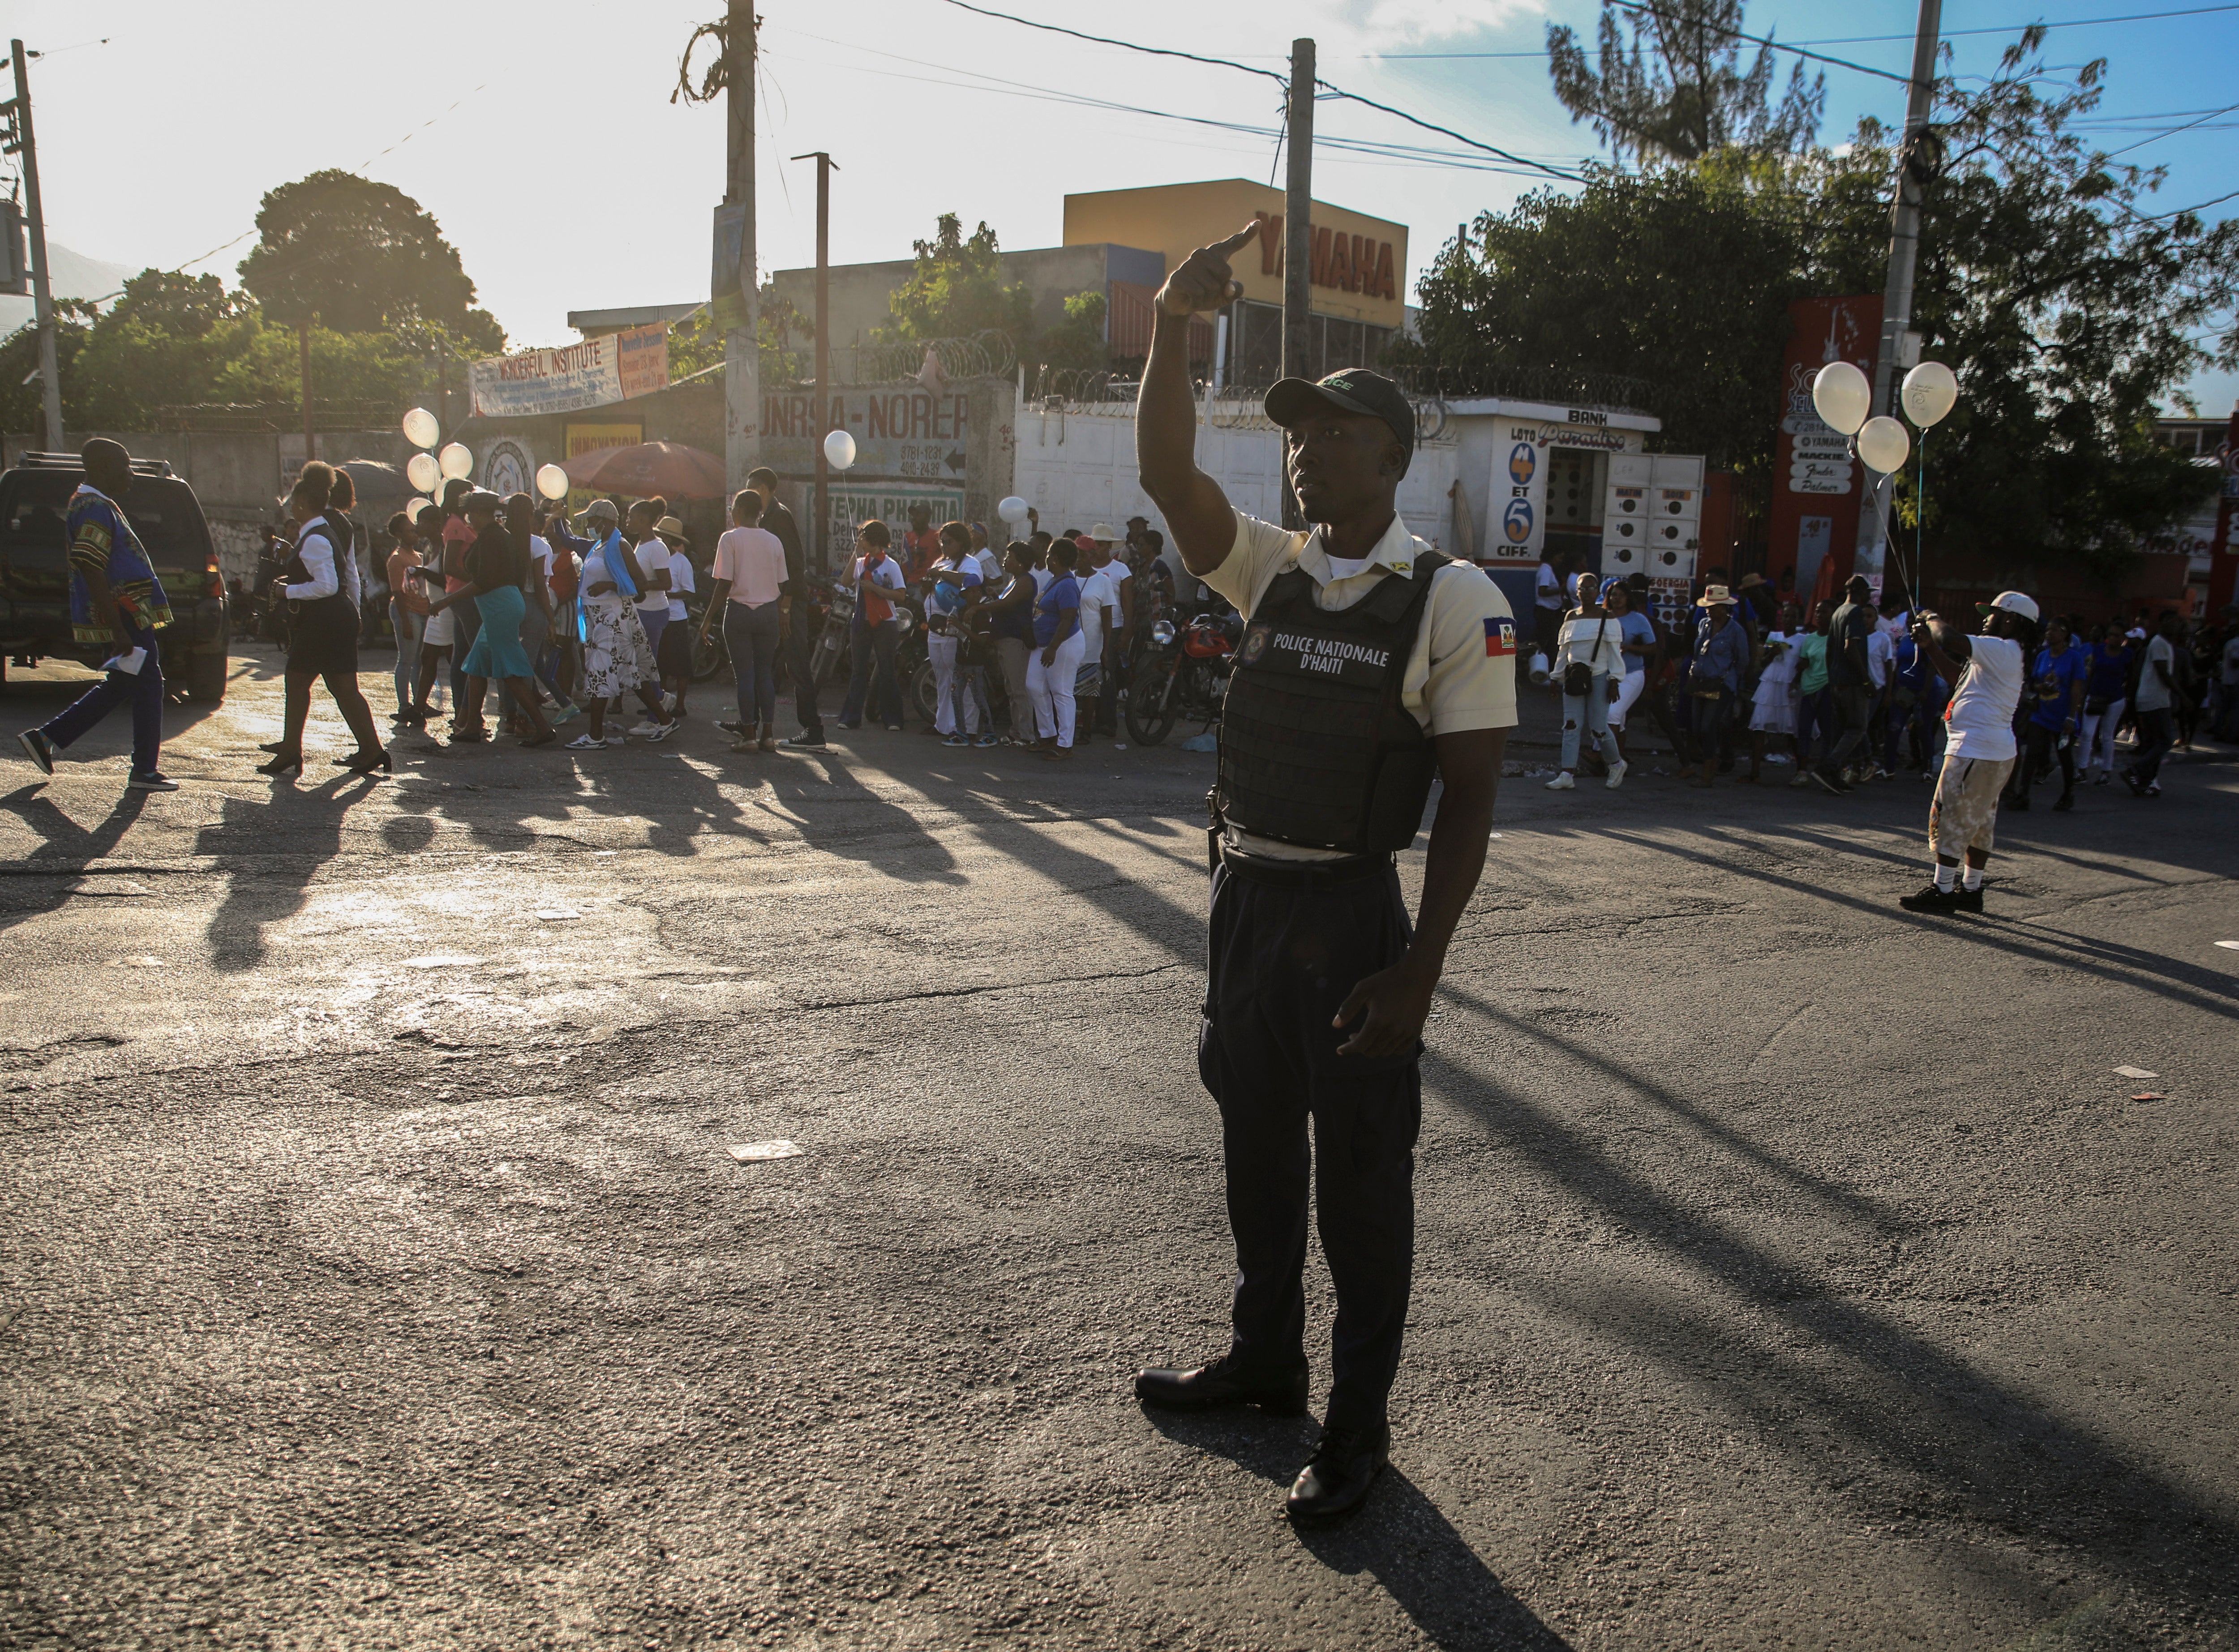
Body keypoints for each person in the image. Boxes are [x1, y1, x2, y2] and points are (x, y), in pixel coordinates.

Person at [1132, 225, 1515, 1526]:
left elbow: (1468, 801)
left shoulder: (1452, 599)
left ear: (1391, 460)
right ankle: (1263, 1358)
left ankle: (1354, 1431)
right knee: (1253, 1155)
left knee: (1359, 1189)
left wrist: (1418, 972)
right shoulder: (1272, 570)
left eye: (1331, 434)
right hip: (1247, 901)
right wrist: (1175, 326)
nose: (1302, 450)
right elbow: (1166, 468)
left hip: (1353, 918)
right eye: (1296, 436)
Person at [16, 439, 180, 791]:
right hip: (126, 614)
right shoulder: (93, 507)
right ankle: (144, 771)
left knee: (124, 683)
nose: (131, 473)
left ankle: (46, 740)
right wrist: (118, 628)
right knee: (149, 686)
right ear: (104, 469)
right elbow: (91, 567)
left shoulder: (95, 503)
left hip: (127, 614)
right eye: (125, 466)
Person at [1900, 592, 2034, 914]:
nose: (1985, 619)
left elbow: (1952, 638)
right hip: (1993, 752)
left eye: (1992, 614)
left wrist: (1931, 618)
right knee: (1979, 824)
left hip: (1974, 751)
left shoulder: (2000, 648)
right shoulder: (2005, 653)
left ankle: (1943, 890)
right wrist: (1930, 648)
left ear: (2010, 620)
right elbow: (1957, 677)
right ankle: (1971, 889)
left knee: (1949, 817)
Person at [255, 461, 387, 778]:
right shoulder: (327, 528)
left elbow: (328, 584)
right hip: (336, 617)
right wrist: (354, 610)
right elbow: (348, 577)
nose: (291, 508)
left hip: (324, 621)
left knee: (298, 682)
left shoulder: (315, 536)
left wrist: (288, 591)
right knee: (343, 687)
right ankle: (372, 750)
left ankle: (291, 751)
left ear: (302, 503)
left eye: (293, 502)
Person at [428, 489, 555, 751]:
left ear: (478, 513)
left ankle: (542, 727)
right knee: (476, 666)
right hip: (500, 606)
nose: (468, 519)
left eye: (470, 514)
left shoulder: (492, 538)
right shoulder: (494, 536)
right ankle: (472, 726)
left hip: (500, 607)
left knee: (508, 672)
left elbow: (483, 582)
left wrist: (445, 601)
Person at [566, 500, 671, 751]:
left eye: (592, 521)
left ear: (605, 521)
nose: (589, 525)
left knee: (599, 673)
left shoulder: (620, 546)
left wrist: (609, 586)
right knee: (631, 673)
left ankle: (595, 735)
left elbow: (640, 584)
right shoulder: (601, 547)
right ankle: (666, 720)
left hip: (614, 618)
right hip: (600, 618)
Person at [704, 489, 789, 753]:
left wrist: (707, 620)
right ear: (760, 513)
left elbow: (724, 584)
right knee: (765, 673)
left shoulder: (730, 539)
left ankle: (749, 735)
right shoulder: (775, 542)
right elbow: (783, 583)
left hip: (740, 612)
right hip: (768, 613)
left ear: (739, 510)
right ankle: (769, 735)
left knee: (745, 676)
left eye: (732, 509)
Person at [1545, 579, 1626, 791]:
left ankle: (1616, 764)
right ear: (1577, 592)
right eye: (1582, 588)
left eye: (1591, 588)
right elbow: (1564, 651)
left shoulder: (1607, 617)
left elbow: (1616, 654)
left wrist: (1615, 680)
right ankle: (1567, 773)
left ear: (1597, 591)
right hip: (1574, 677)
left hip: (1599, 676)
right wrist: (1555, 678)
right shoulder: (1571, 617)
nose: (1586, 592)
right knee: (1571, 725)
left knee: (1599, 727)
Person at [2007, 616, 2085, 812]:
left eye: (2055, 630)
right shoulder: (2043, 656)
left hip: (2062, 715)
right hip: (2041, 713)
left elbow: (2077, 688)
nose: (2049, 634)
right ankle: (2023, 794)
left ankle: (2068, 794)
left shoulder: (2074, 657)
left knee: (2064, 755)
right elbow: (2033, 681)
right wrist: (2038, 686)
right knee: (2032, 753)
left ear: (2065, 633)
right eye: (2048, 630)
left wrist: (2072, 716)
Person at [838, 521, 908, 732]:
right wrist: (856, 553)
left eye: (865, 538)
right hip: (861, 621)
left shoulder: (891, 565)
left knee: (887, 670)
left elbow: (900, 595)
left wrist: (876, 589)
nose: (862, 541)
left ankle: (893, 719)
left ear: (875, 541)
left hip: (885, 623)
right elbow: (845, 580)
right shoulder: (861, 562)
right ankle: (851, 717)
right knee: (858, 671)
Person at [923, 522, 987, 747]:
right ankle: (944, 725)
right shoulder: (942, 561)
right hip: (937, 627)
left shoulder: (971, 563)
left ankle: (967, 728)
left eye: (949, 541)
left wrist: (941, 574)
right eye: (942, 541)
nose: (944, 545)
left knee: (961, 679)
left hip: (956, 627)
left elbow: (972, 584)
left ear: (962, 542)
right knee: (942, 676)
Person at [1814, 574, 1878, 794]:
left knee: (1842, 731)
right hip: (1852, 683)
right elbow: (1850, 648)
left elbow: (1830, 651)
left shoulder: (1838, 612)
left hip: (1837, 682)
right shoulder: (1855, 613)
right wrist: (1866, 679)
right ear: (1860, 593)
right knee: (1857, 728)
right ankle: (1829, 767)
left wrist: (1832, 679)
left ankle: (1834, 775)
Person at [1682, 585, 1750, 788]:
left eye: (1713, 607)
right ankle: (1709, 765)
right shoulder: (1704, 624)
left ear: (1724, 608)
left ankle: (1708, 774)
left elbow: (1743, 660)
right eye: (1708, 607)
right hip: (1700, 681)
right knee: (1696, 727)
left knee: (1708, 727)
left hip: (1721, 685)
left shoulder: (1736, 632)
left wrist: (1731, 681)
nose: (1709, 611)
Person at [1025, 539, 1084, 759]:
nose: (1047, 558)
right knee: (1034, 685)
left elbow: (1068, 619)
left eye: (1050, 555)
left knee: (1061, 692)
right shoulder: (1055, 580)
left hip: (1063, 644)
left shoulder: (1067, 584)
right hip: (1045, 645)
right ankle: (1048, 735)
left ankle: (1065, 744)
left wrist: (1053, 648)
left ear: (1056, 558)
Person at [2121, 611, 2182, 797]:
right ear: (2161, 623)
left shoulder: (2164, 644)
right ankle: (2136, 770)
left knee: (2152, 743)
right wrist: (2182, 696)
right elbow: (2163, 674)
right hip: (2155, 700)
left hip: (2151, 699)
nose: (2174, 626)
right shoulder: (2158, 643)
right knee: (2166, 740)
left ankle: (2144, 782)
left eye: (2176, 622)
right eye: (2169, 621)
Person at [987, 542, 1039, 744]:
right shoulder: (1015, 580)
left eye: (1010, 556)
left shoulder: (1026, 581)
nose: (1005, 560)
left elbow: (1006, 604)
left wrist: (979, 609)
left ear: (1020, 562)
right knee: (1011, 689)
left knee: (1019, 689)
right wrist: (994, 596)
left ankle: (1026, 735)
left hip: (1016, 641)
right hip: (1005, 639)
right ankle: (1016, 731)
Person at [1069, 534, 1119, 745]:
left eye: (1083, 554)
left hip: (1092, 644)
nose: (1079, 558)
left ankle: (1086, 730)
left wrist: (1106, 649)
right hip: (1068, 643)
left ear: (1092, 555)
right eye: (1076, 554)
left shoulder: (1103, 581)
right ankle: (1067, 729)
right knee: (1066, 691)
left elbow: (1107, 618)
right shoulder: (1068, 578)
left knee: (1089, 691)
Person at [386, 511, 432, 727]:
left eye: (414, 530)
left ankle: (419, 703)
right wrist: (404, 621)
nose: (414, 534)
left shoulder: (419, 556)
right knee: (406, 659)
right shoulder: (397, 559)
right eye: (409, 531)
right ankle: (404, 706)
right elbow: (398, 592)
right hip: (408, 610)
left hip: (422, 610)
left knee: (418, 660)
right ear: (399, 534)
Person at [650, 515, 698, 722]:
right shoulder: (655, 558)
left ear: (669, 540)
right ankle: (658, 703)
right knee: (658, 663)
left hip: (676, 617)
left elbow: (690, 592)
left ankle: (680, 705)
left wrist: (668, 593)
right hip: (657, 613)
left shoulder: (681, 562)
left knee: (680, 665)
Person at [1745, 616, 1800, 783]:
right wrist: (1773, 654)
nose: (1788, 621)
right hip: (1771, 683)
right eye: (1786, 617)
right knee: (1760, 726)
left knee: (1793, 730)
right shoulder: (1774, 637)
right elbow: (1763, 662)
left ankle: (1801, 771)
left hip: (1790, 683)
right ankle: (1755, 772)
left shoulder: (1803, 639)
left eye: (1792, 617)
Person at [2077, 624, 2132, 784]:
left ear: (2123, 638)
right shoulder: (2100, 650)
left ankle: (2106, 772)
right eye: (2111, 635)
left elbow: (2132, 676)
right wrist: (2084, 696)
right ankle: (2081, 770)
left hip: (2115, 699)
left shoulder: (2127, 654)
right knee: (2087, 734)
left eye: (2117, 635)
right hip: (2095, 696)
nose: (2113, 638)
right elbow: (2092, 672)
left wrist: (2128, 697)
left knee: (2107, 736)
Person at [1605, 579, 1654, 754]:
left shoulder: (1638, 619)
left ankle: (1602, 755)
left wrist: (1630, 648)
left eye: (1622, 595)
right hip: (1606, 676)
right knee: (1620, 721)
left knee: (1612, 715)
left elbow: (1653, 647)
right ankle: (1619, 760)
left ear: (1628, 598)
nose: (1617, 599)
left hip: (1631, 674)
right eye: (1614, 595)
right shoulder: (1603, 616)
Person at [1789, 599, 1834, 785]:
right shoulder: (1810, 639)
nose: (1819, 615)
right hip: (1809, 688)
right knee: (1804, 730)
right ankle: (1802, 771)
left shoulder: (1836, 639)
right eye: (1817, 612)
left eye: (1823, 612)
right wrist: (1795, 681)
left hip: (1827, 688)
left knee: (1827, 732)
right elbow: (1804, 661)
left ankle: (1825, 770)